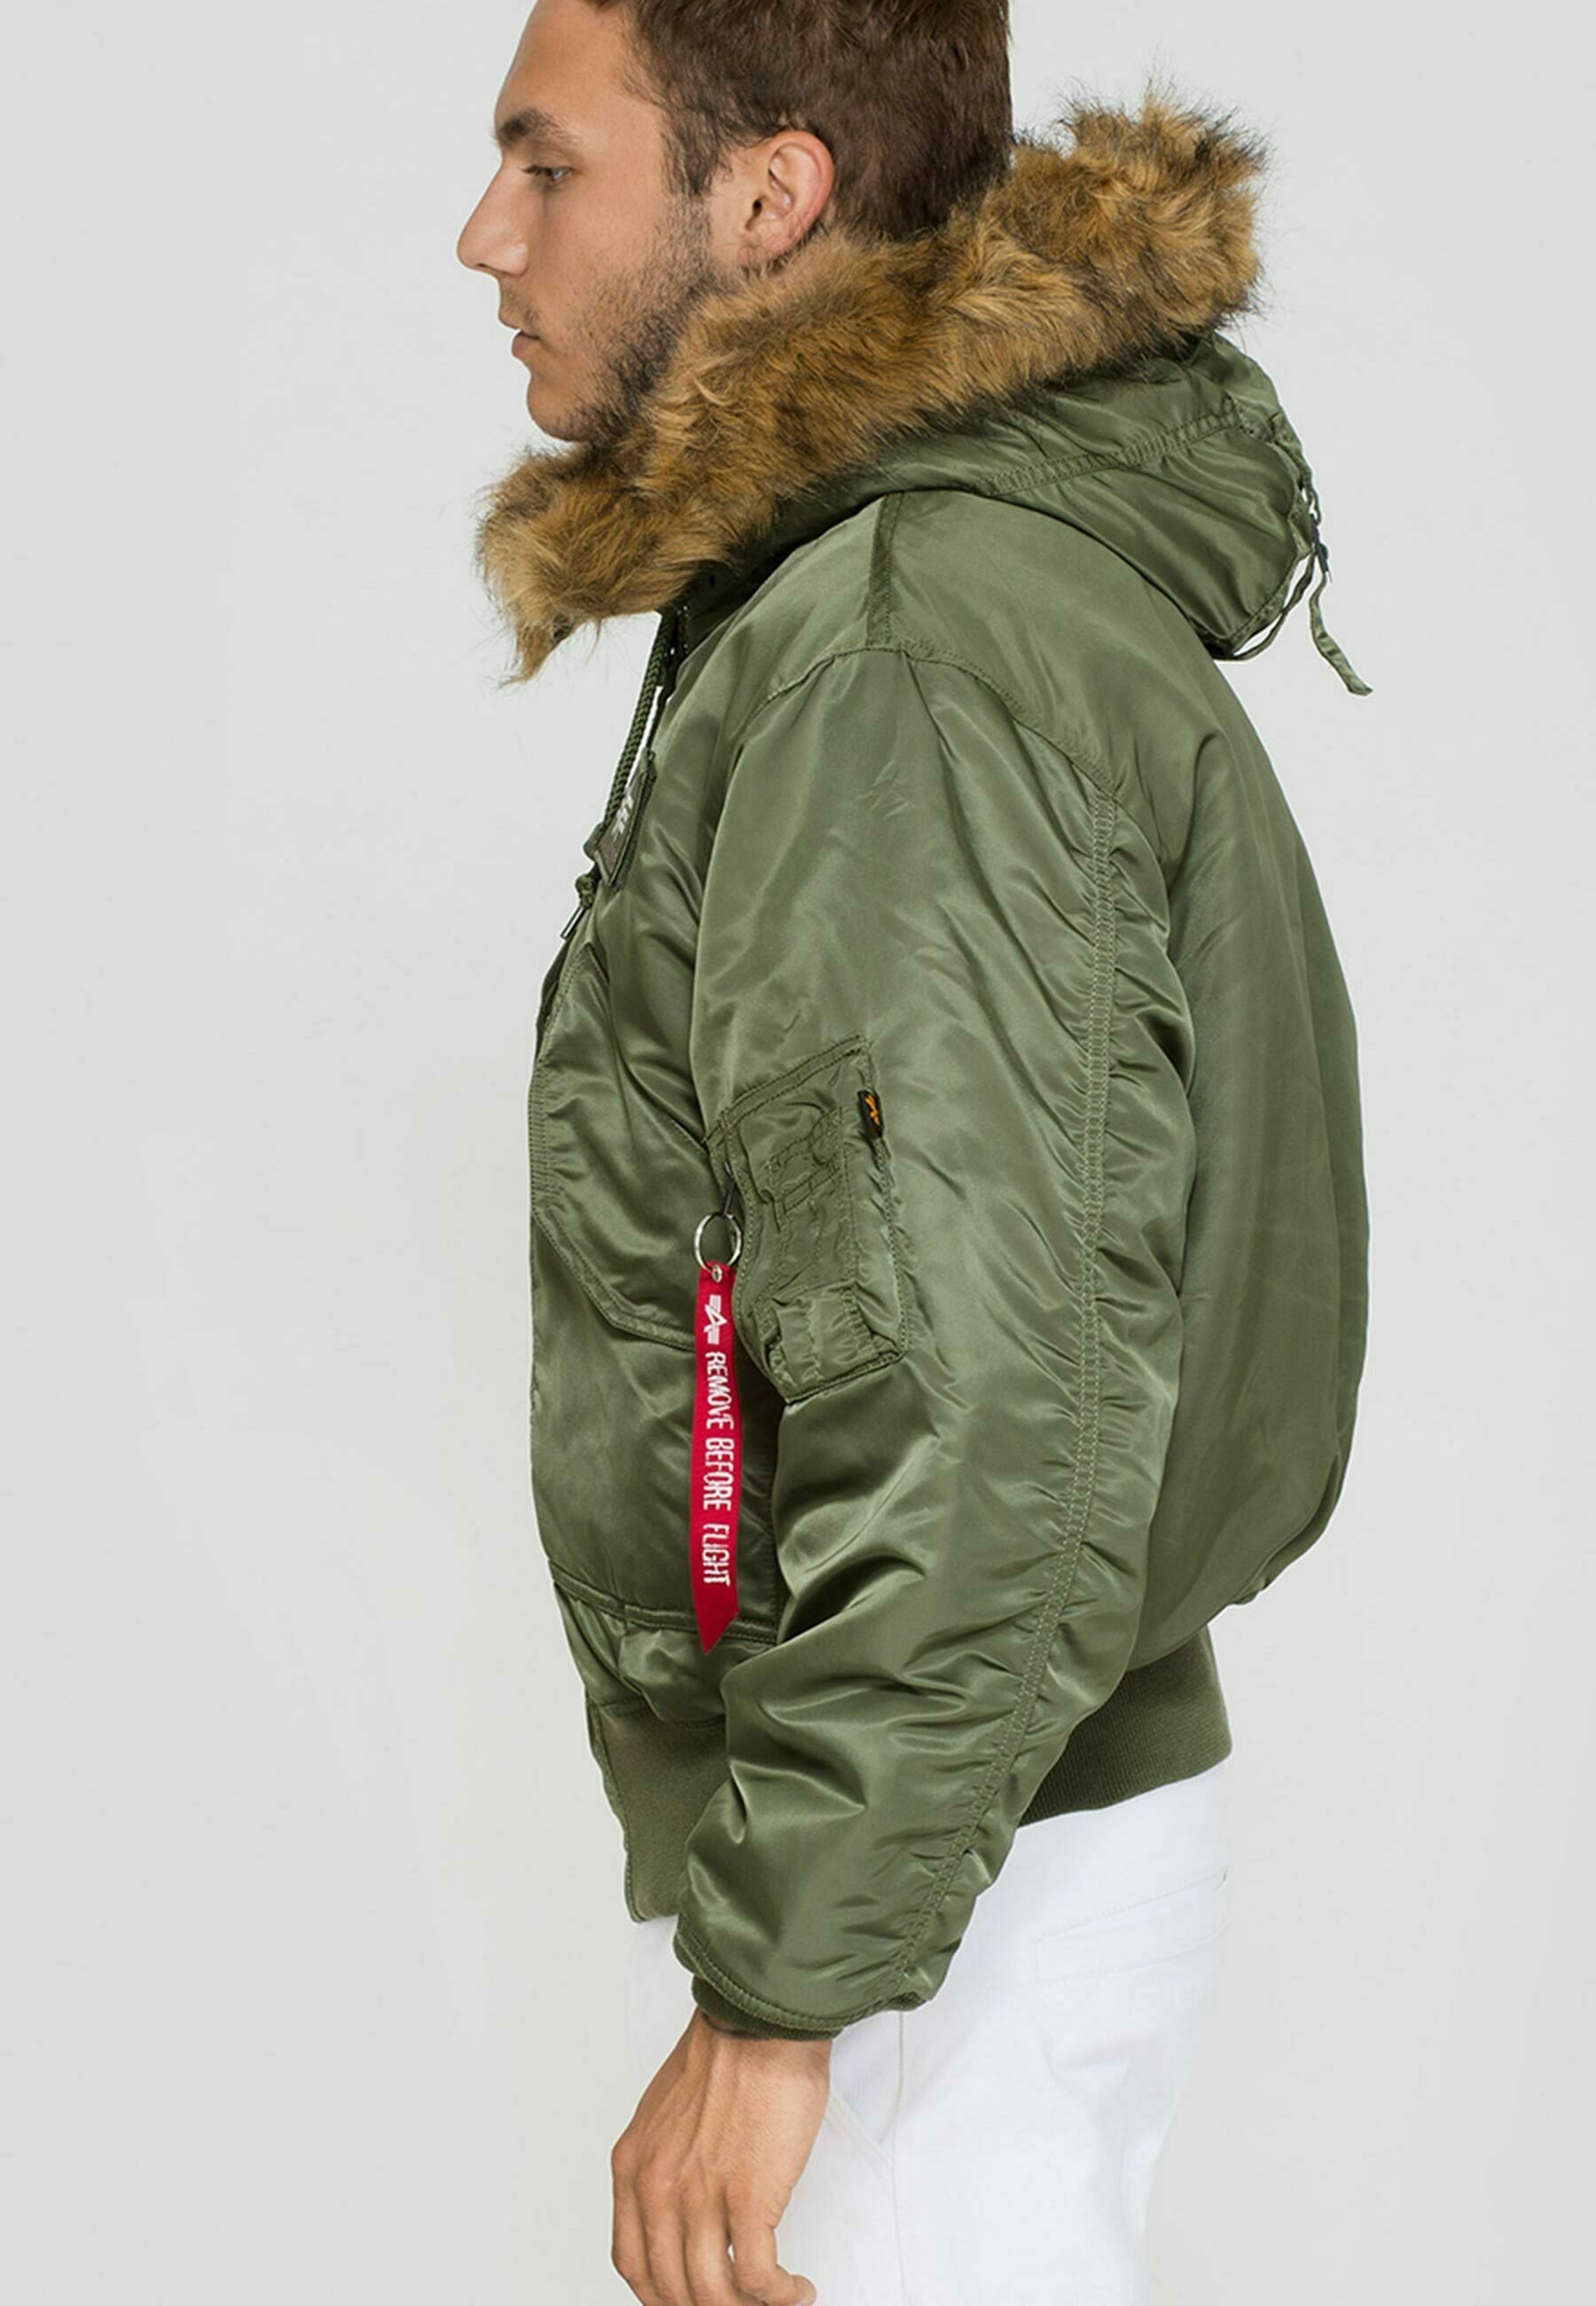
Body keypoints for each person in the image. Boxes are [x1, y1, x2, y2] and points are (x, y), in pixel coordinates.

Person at [457, 3, 1371, 2301]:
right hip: (957, 1859)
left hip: (932, 1913)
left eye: (547, 166)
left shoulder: (898, 645)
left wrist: (788, 1993)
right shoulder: (888, 595)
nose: (484, 236)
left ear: (769, 195)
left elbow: (986, 1405)